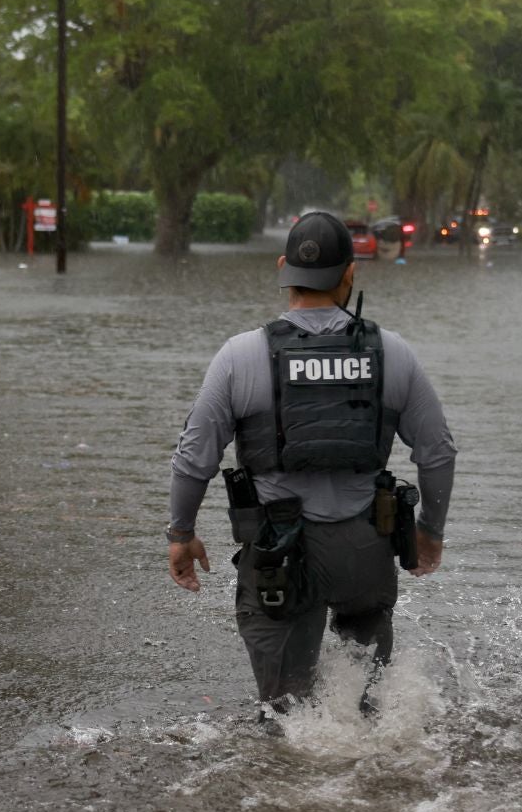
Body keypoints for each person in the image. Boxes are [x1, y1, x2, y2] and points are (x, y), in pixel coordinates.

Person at [168, 211, 457, 718]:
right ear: (351, 273)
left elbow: (195, 457)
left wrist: (181, 533)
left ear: (283, 268)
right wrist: (430, 531)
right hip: (365, 553)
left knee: (286, 716)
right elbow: (437, 453)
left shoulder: (240, 356)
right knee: (369, 710)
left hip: (280, 559)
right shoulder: (393, 353)